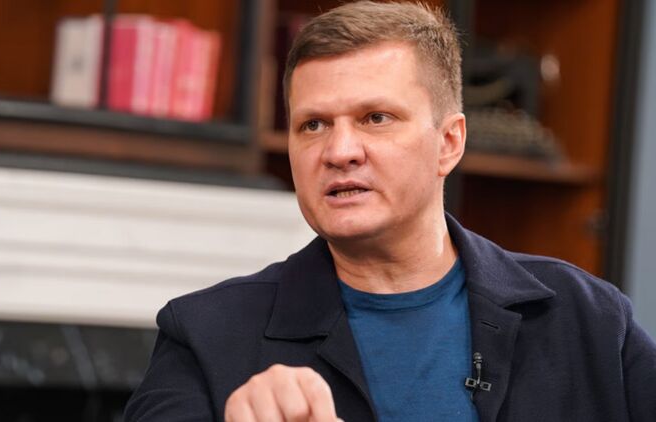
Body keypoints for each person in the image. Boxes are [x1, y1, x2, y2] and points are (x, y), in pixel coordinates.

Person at [124, 2, 656, 421]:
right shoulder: (205, 334)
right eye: (313, 125)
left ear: (449, 142)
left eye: (375, 118)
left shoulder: (589, 318)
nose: (339, 151)